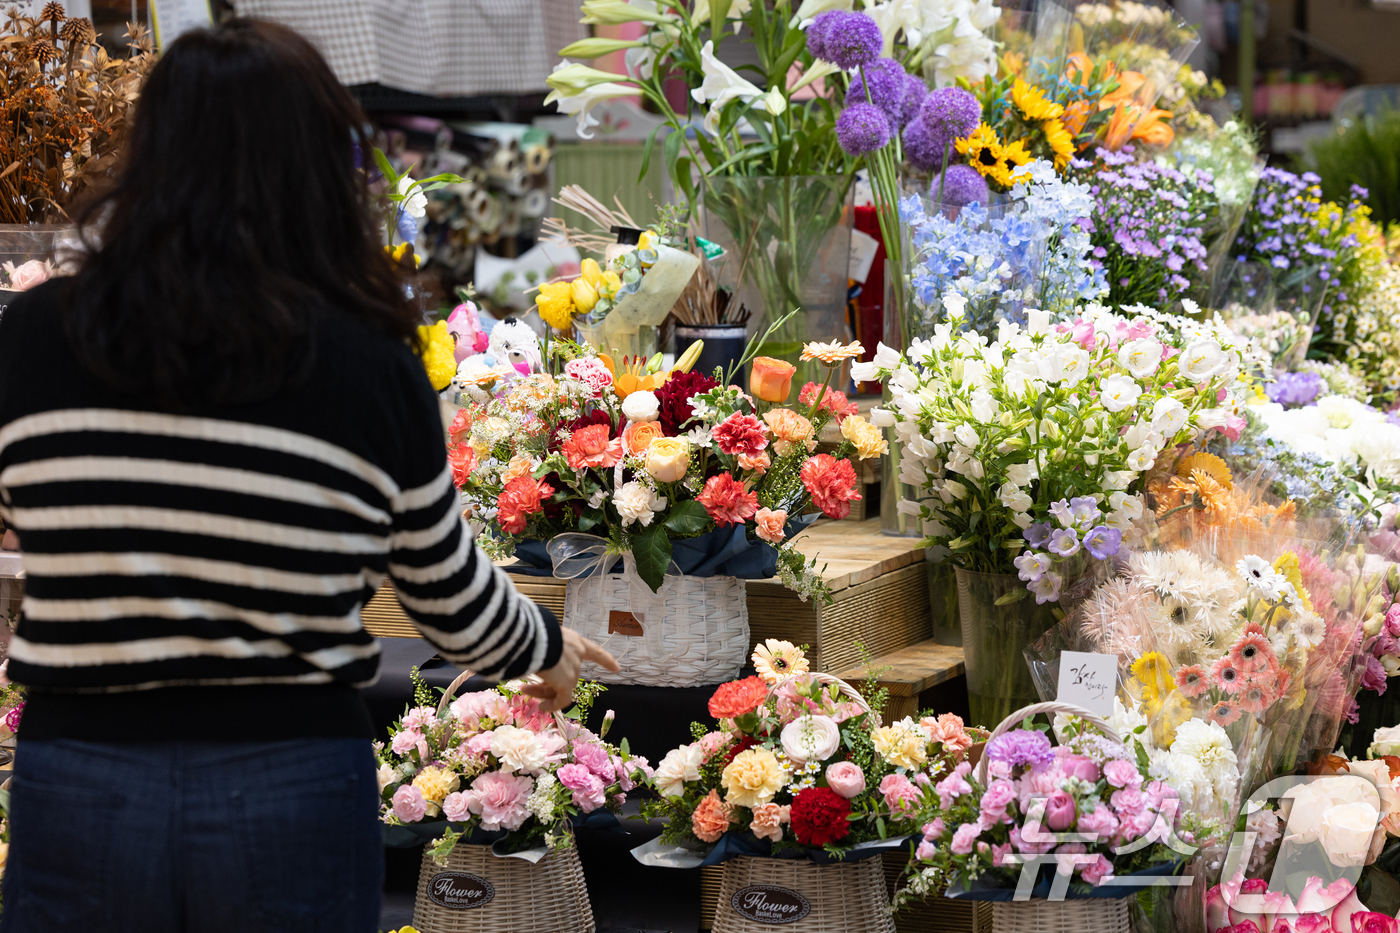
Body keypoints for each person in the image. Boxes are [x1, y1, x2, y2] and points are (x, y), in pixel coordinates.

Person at [0, 19, 617, 933]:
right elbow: (444, 590)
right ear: (321, 163)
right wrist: (545, 650)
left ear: (150, 150)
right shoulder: (368, 354)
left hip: (84, 776)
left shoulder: (36, 334)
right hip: (286, 781)